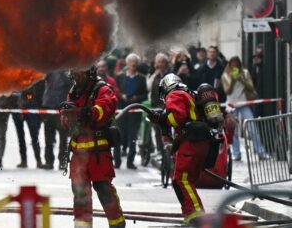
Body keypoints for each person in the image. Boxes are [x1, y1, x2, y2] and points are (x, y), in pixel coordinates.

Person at [60, 68, 126, 228]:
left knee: (103, 189)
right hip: (78, 154)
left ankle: (117, 224)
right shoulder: (74, 91)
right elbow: (67, 119)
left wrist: (88, 112)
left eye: (79, 72)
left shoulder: (102, 89)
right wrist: (67, 116)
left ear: (89, 72)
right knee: (80, 193)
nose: (76, 76)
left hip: (98, 152)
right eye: (74, 73)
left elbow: (106, 107)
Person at [148, 74, 210, 225]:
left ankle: (196, 216)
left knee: (181, 179)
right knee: (184, 180)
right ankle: (190, 216)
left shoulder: (174, 94)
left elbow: (177, 117)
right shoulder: (189, 93)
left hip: (191, 143)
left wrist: (162, 119)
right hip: (199, 142)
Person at [221, 56, 269, 161]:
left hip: (244, 103)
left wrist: (241, 79)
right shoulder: (225, 75)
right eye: (232, 65)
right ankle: (236, 153)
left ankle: (261, 152)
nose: (234, 68)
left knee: (252, 127)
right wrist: (233, 80)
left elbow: (251, 87)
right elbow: (227, 91)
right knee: (233, 130)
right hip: (231, 105)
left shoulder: (245, 73)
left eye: (236, 65)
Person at [114, 53, 148, 169]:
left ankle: (130, 161)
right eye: (131, 61)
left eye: (135, 62)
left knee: (132, 138)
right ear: (127, 63)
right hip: (122, 111)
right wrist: (121, 96)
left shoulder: (142, 78)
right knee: (118, 136)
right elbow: (114, 91)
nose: (133, 64)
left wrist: (136, 98)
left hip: (134, 112)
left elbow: (145, 95)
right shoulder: (119, 77)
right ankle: (117, 161)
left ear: (137, 64)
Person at [40, 70, 72, 170]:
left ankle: (62, 161)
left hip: (61, 108)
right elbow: (40, 78)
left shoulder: (66, 70)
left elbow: (70, 82)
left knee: (63, 137)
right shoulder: (49, 69)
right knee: (48, 137)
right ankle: (49, 161)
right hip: (48, 106)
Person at [12, 80, 45, 168]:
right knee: (21, 137)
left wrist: (26, 101)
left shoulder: (30, 76)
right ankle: (24, 160)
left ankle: (38, 160)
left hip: (30, 109)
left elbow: (32, 94)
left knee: (34, 136)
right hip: (17, 110)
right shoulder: (14, 76)